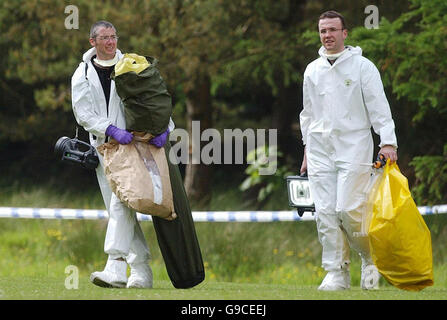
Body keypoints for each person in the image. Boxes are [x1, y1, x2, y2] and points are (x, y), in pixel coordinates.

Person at [299, 11, 398, 291]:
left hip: (353, 146)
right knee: (325, 213)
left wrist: (387, 142)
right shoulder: (312, 70)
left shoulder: (363, 67)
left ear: (345, 33)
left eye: (332, 30)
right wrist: (306, 149)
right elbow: (307, 114)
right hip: (319, 149)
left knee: (348, 209)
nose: (327, 35)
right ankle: (336, 273)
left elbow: (379, 107)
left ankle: (370, 259)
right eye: (322, 31)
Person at [71, 20, 172, 288]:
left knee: (120, 204)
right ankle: (140, 271)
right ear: (92, 41)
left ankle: (115, 266)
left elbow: (156, 100)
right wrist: (110, 129)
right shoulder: (81, 75)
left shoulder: (133, 64)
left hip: (135, 145)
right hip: (105, 148)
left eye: (114, 36)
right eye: (104, 37)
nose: (111, 41)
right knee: (121, 210)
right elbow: (83, 115)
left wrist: (166, 129)